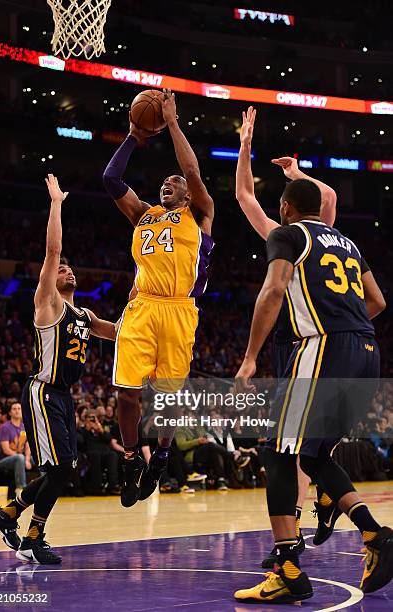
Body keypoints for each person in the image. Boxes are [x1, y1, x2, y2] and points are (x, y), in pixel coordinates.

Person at [234, 178, 391, 602]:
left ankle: (286, 567)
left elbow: (273, 289)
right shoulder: (348, 244)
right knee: (312, 454)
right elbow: (376, 301)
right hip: (368, 351)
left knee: (278, 449)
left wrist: (250, 357)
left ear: (285, 207)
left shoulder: (288, 235)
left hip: (324, 350)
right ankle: (374, 534)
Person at [0, 174, 117, 564]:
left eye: (70, 269)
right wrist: (57, 203)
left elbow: (120, 333)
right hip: (42, 390)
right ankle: (31, 533)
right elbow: (52, 249)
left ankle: (10, 515)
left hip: (63, 397)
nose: (67, 271)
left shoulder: (84, 313)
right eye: (62, 269)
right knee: (60, 469)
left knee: (65, 469)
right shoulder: (48, 305)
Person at [236, 106, 340, 567]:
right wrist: (294, 170)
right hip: (315, 342)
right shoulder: (308, 235)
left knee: (296, 447)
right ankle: (307, 517)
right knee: (302, 449)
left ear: (288, 206)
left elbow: (245, 194)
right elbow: (329, 195)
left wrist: (247, 146)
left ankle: (301, 525)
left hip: (308, 344)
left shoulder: (298, 237)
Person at [103, 89, 214, 507]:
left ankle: (162, 455)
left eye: (176, 182)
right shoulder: (143, 214)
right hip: (143, 304)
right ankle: (132, 458)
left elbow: (193, 170)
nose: (170, 182)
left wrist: (171, 123)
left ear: (188, 194)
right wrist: (133, 137)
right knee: (127, 392)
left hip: (180, 310)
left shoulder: (200, 213)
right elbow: (111, 180)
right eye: (165, 181)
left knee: (167, 399)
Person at [0, 401, 31, 497]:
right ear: (10, 413)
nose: (17, 411)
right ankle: (21, 489)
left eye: (19, 409)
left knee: (40, 459)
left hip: (21, 457)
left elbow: (28, 446)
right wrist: (23, 458)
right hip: (4, 460)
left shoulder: (24, 427)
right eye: (14, 409)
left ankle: (45, 488)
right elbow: (6, 450)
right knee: (20, 457)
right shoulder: (5, 427)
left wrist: (27, 460)